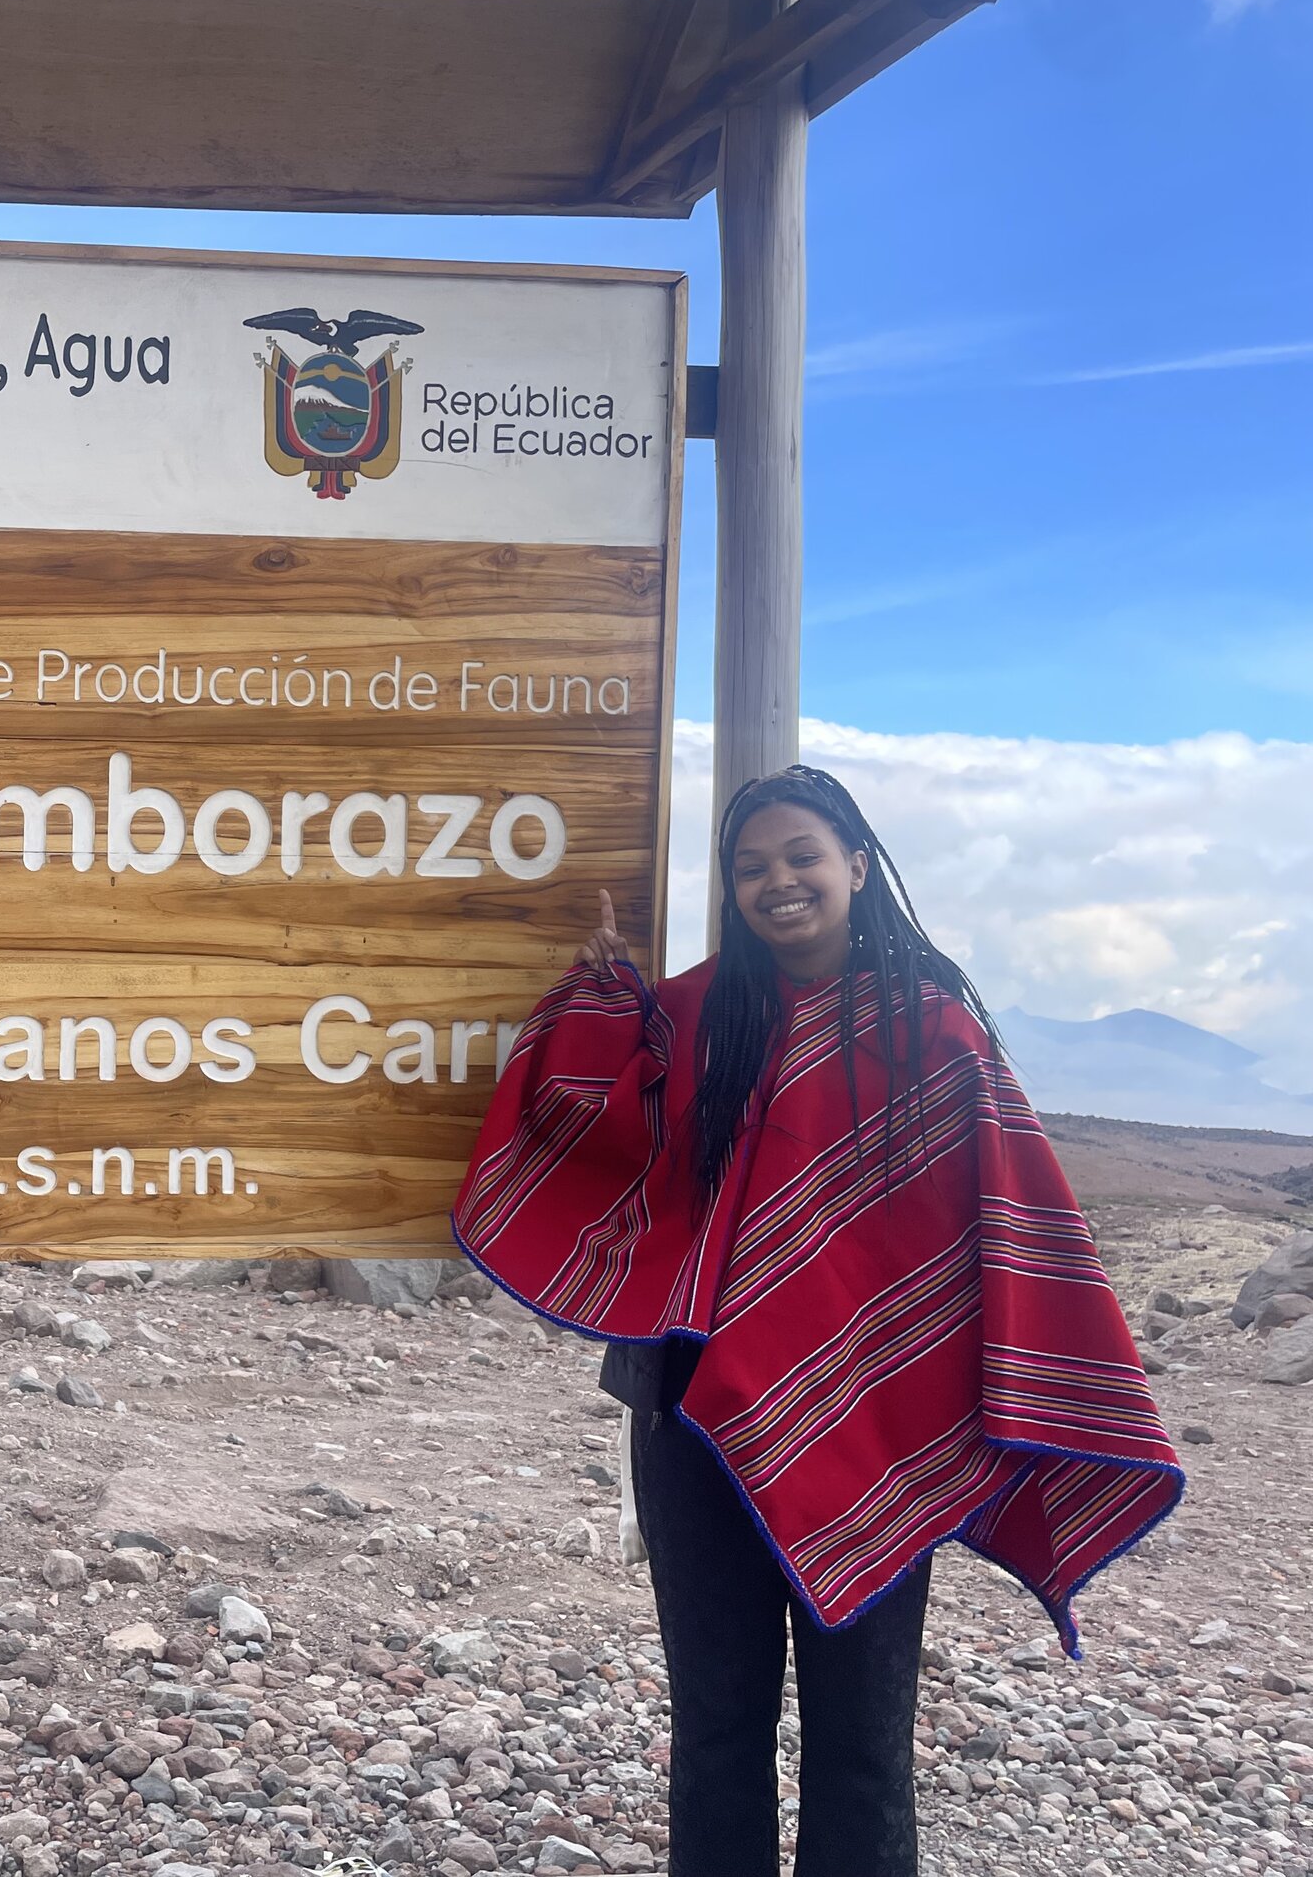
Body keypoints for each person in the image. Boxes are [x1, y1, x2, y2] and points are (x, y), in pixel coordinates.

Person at [453, 766, 1181, 1877]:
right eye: (748, 868)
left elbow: (1010, 1221)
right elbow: (593, 1125)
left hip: (875, 1436)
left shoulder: (931, 1032)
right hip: (690, 1422)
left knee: (859, 1750)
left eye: (799, 856)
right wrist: (599, 1000)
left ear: (853, 864)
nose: (775, 882)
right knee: (713, 1733)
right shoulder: (696, 1014)